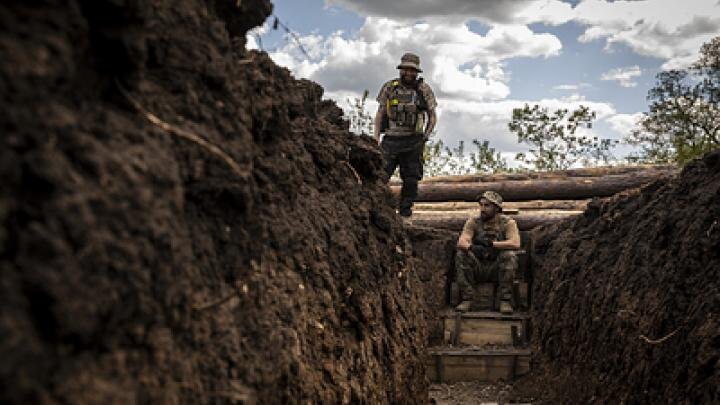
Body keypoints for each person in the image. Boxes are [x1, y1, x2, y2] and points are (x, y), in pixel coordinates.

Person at [374, 52, 437, 218]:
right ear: (400, 69)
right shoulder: (390, 87)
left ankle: (405, 212)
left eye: (412, 70)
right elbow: (380, 113)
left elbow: (432, 115)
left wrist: (425, 136)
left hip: (413, 141)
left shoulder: (423, 89)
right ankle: (376, 208)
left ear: (417, 72)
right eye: (405, 69)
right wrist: (376, 137)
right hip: (390, 140)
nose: (408, 73)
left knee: (411, 180)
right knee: (380, 176)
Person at [454, 191, 521, 314]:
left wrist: (492, 244)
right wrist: (472, 248)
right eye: (481, 205)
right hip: (478, 267)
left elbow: (515, 243)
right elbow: (462, 242)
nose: (482, 209)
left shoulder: (508, 223)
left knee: (509, 256)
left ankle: (504, 300)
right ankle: (467, 299)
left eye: (487, 206)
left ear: (496, 208)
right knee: (461, 255)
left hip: (497, 268)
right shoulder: (474, 221)